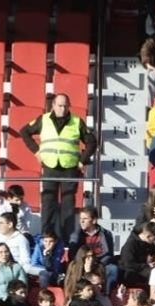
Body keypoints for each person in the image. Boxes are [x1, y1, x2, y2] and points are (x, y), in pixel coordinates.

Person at [17, 93, 97, 240]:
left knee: (67, 205)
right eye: (60, 105)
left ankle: (66, 240)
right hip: (50, 166)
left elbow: (92, 142)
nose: (63, 108)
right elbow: (24, 132)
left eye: (66, 105)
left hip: (69, 168)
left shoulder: (77, 121)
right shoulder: (44, 119)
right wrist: (36, 151)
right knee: (48, 203)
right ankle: (46, 237)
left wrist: (82, 160)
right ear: (53, 105)